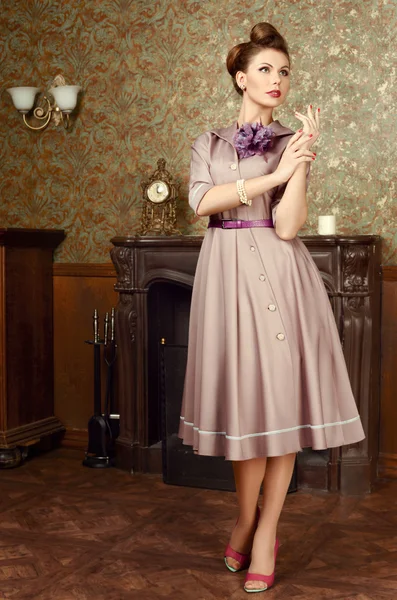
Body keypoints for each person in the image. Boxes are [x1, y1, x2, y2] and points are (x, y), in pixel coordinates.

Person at [178, 22, 365, 593]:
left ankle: (266, 533)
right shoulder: (206, 143)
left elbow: (287, 225)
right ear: (240, 77)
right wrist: (270, 179)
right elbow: (199, 204)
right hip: (226, 278)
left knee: (279, 411)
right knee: (244, 410)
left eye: (284, 71)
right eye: (265, 69)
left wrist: (298, 163)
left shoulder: (290, 142)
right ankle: (243, 516)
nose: (277, 79)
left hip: (282, 278)